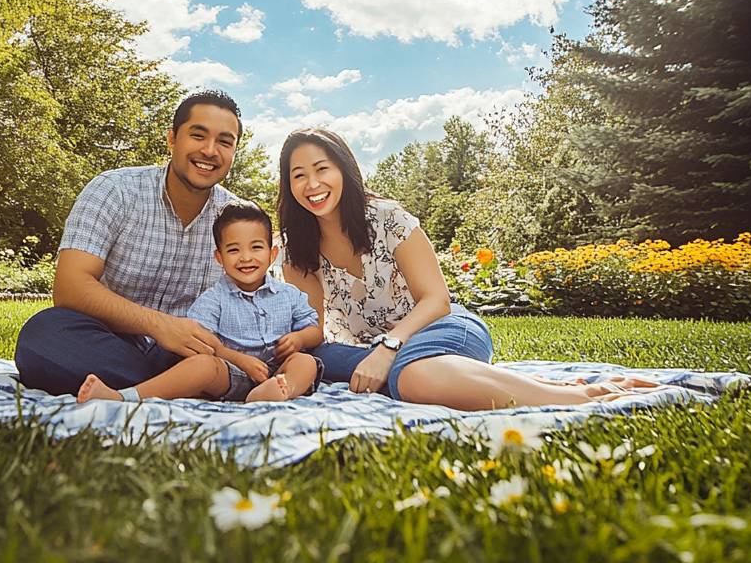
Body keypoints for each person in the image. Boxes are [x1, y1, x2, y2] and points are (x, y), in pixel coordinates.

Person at [278, 128, 662, 410]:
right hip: (368, 349)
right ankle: (529, 384)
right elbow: (315, 330)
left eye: (322, 169)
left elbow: (437, 300)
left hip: (438, 329)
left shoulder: (386, 217)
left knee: (411, 377)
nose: (312, 184)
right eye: (299, 175)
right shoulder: (298, 251)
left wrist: (389, 349)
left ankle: (579, 397)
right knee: (327, 363)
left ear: (344, 170)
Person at [13, 90, 246, 396]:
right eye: (198, 135)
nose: (210, 150)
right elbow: (70, 286)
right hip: (109, 341)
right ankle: (176, 386)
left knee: (233, 355)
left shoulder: (240, 220)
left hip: (189, 354)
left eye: (225, 142)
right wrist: (160, 326)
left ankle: (146, 386)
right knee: (43, 335)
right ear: (172, 139)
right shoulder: (115, 190)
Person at [77, 202, 323, 404]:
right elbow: (203, 344)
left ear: (272, 254)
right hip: (230, 374)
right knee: (202, 365)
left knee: (306, 362)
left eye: (256, 248)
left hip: (279, 370)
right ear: (219, 257)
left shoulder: (289, 294)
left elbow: (315, 331)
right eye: (234, 250)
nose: (246, 257)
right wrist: (239, 360)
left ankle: (279, 391)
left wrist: (299, 339)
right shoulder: (214, 298)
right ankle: (123, 397)